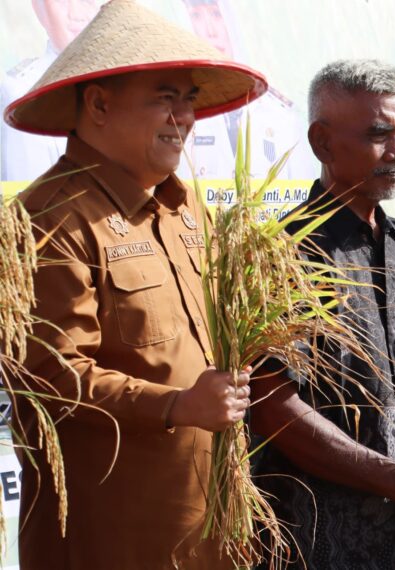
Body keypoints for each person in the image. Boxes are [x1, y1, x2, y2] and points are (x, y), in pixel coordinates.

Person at [6, 0, 264, 567]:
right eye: (165, 98)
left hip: (213, 530)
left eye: (189, 99)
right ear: (98, 104)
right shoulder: (45, 219)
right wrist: (176, 405)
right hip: (114, 539)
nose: (185, 118)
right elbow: (49, 378)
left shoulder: (190, 211)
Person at [249, 60, 395, 570]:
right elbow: (273, 408)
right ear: (323, 143)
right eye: (379, 134)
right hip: (315, 544)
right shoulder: (281, 255)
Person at [179, 0, 318, 183]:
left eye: (216, 14)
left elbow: (306, 196)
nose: (210, 30)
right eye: (197, 16)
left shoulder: (280, 114)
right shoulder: (181, 113)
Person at [0, 0, 102, 182]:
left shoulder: (129, 83)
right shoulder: (23, 93)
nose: (75, 14)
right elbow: (27, 201)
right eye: (62, 1)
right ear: (38, 9)